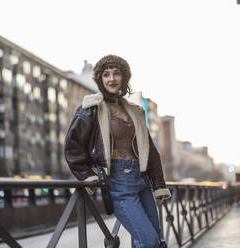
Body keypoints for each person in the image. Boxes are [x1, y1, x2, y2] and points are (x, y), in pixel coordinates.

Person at [64, 55, 171, 248]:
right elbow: (73, 145)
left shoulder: (135, 111)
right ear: (100, 79)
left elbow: (150, 151)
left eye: (116, 73)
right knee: (149, 241)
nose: (111, 79)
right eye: (106, 74)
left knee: (158, 240)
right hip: (117, 181)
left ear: (124, 77)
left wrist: (158, 184)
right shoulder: (91, 108)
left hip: (142, 178)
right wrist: (86, 175)